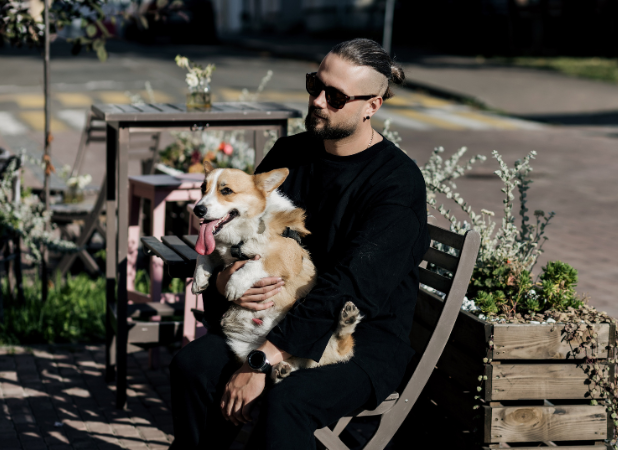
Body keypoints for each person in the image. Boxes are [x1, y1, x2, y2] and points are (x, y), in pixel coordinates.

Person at [168, 38, 430, 449]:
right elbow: (240, 230)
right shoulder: (292, 152)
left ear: (372, 106)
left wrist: (262, 359)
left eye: (336, 96)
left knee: (287, 402)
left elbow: (352, 287)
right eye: (314, 84)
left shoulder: (396, 184)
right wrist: (222, 283)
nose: (318, 101)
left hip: (358, 340)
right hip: (276, 315)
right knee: (192, 365)